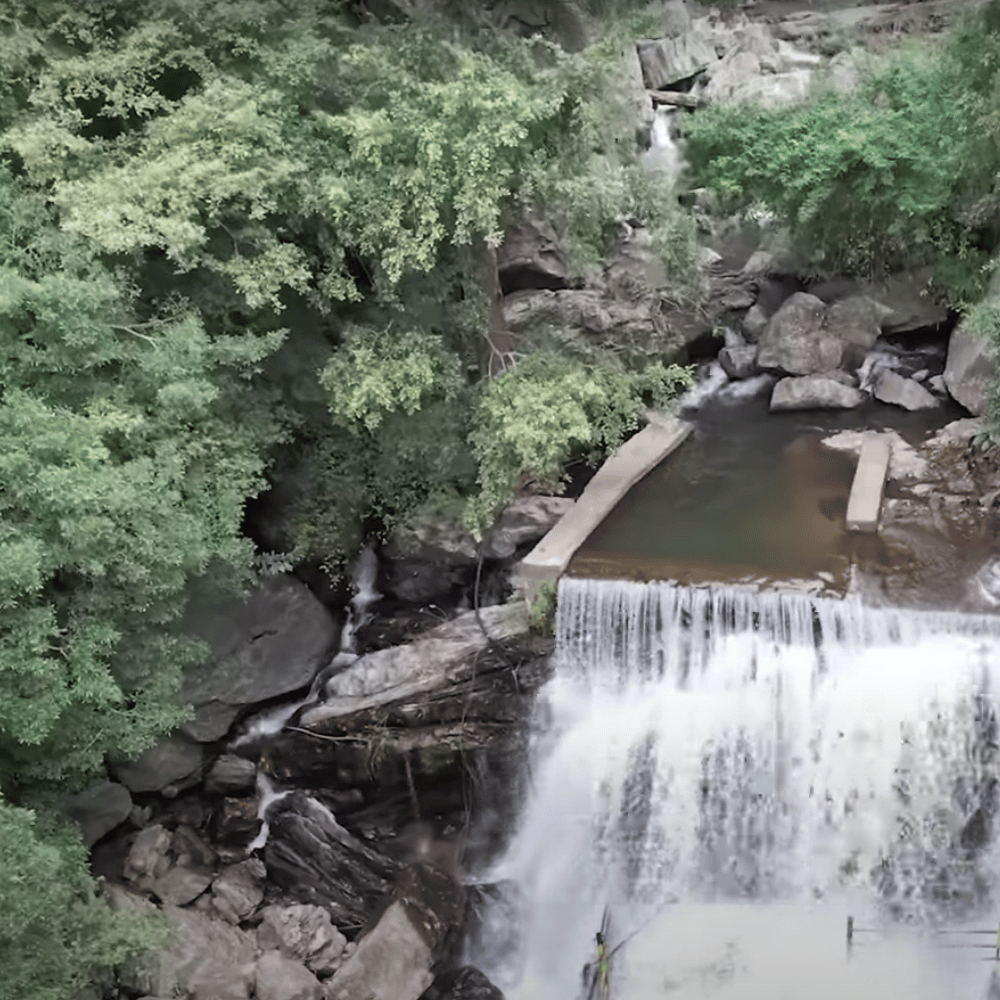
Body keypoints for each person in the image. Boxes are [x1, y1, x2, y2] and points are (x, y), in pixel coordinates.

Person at [595, 931, 610, 997]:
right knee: (603, 977)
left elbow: (602, 954)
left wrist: (600, 958)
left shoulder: (602, 946)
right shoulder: (600, 946)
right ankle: (604, 991)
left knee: (604, 977)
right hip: (602, 963)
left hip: (603, 963)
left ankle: (605, 991)